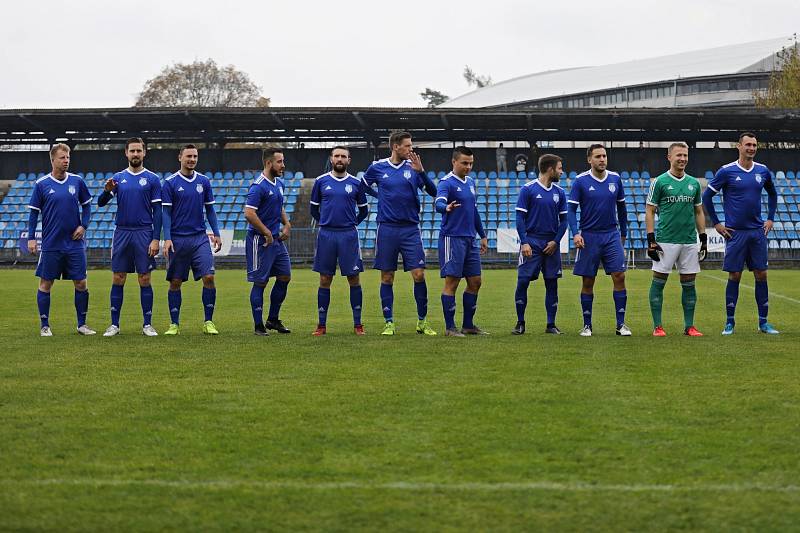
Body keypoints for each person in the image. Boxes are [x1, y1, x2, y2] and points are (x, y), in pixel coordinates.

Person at [360, 131, 437, 336]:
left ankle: (422, 321)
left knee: (419, 275)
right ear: (395, 146)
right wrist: (379, 195)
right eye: (407, 146)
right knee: (387, 277)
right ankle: (389, 322)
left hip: (411, 228)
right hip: (386, 228)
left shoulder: (413, 168)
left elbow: (434, 192)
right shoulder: (377, 167)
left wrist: (421, 172)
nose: (411, 149)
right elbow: (363, 187)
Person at [702, 132, 779, 335]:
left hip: (757, 232)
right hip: (735, 233)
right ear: (739, 146)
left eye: (754, 145)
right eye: (748, 145)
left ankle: (763, 322)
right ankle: (730, 322)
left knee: (761, 274)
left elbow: (772, 193)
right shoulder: (726, 171)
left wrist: (770, 218)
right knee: (735, 275)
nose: (751, 148)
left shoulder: (762, 171)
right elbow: (707, 196)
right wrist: (717, 223)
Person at [27, 143, 95, 336]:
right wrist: (31, 238)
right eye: (62, 158)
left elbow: (87, 207)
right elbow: (33, 214)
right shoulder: (41, 185)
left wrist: (84, 225)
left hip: (74, 244)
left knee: (81, 283)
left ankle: (82, 325)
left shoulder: (77, 181)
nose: (66, 161)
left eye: (68, 158)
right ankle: (45, 326)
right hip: (51, 244)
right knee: (46, 283)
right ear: (53, 160)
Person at [96, 137, 161, 337]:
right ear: (126, 153)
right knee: (118, 277)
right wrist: (107, 192)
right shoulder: (118, 178)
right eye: (132, 151)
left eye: (138, 151)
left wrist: (156, 238)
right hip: (122, 231)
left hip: (144, 232)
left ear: (144, 153)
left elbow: (157, 212)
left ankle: (147, 324)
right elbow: (100, 203)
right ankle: (114, 325)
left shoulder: (152, 179)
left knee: (144, 278)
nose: (135, 154)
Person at [568, 144, 631, 337]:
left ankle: (621, 325)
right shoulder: (580, 181)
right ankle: (587, 325)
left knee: (619, 276)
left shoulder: (615, 179)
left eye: (604, 156)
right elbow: (571, 210)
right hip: (589, 236)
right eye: (598, 156)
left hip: (611, 234)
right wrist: (575, 233)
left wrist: (624, 233)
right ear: (589, 160)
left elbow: (622, 208)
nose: (602, 159)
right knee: (588, 281)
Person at [645, 142, 707, 337]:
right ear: (669, 157)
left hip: (689, 240)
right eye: (679, 155)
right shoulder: (660, 182)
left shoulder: (694, 183)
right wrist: (651, 239)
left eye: (685, 155)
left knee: (689, 282)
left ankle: (689, 327)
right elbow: (650, 210)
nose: (682, 159)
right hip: (665, 240)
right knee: (659, 281)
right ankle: (658, 327)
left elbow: (698, 211)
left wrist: (703, 238)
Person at [161, 144, 222, 335]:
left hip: (199, 238)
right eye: (188, 156)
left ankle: (208, 322)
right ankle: (174, 324)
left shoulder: (203, 181)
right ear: (180, 157)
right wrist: (168, 238)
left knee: (209, 277)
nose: (192, 160)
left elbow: (210, 210)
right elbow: (166, 213)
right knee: (176, 282)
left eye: (195, 156)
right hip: (178, 239)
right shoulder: (170, 183)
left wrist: (217, 233)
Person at [310, 146, 370, 335]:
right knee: (325, 278)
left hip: (348, 235)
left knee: (353, 278)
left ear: (349, 160)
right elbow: (314, 209)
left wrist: (351, 224)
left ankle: (358, 324)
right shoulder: (320, 181)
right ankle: (321, 325)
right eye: (337, 156)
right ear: (331, 158)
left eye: (343, 156)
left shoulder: (356, 183)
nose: (340, 159)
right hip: (326, 234)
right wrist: (325, 222)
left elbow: (364, 210)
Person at [435, 146, 488, 337]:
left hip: (469, 239)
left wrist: (482, 235)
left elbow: (473, 211)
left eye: (471, 163)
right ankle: (450, 328)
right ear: (454, 162)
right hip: (452, 238)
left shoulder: (471, 182)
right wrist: (445, 207)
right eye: (465, 163)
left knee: (475, 281)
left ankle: (468, 325)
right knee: (453, 282)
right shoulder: (446, 182)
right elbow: (438, 202)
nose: (468, 167)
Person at [512, 154, 568, 335]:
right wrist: (524, 242)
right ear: (550, 169)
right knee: (523, 281)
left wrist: (556, 241)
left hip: (551, 242)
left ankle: (551, 324)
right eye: (559, 168)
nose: (562, 171)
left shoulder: (559, 192)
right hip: (532, 241)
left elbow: (564, 220)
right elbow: (519, 218)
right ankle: (520, 323)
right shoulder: (527, 189)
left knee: (552, 283)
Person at [244, 147, 292, 336]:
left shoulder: (279, 184)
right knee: (261, 282)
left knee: (285, 276)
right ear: (268, 163)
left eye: (283, 161)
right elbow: (249, 213)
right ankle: (258, 326)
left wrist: (287, 224)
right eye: (279, 161)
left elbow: (278, 207)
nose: (283, 165)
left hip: (275, 241)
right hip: (260, 241)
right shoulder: (258, 186)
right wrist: (265, 232)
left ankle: (273, 319)